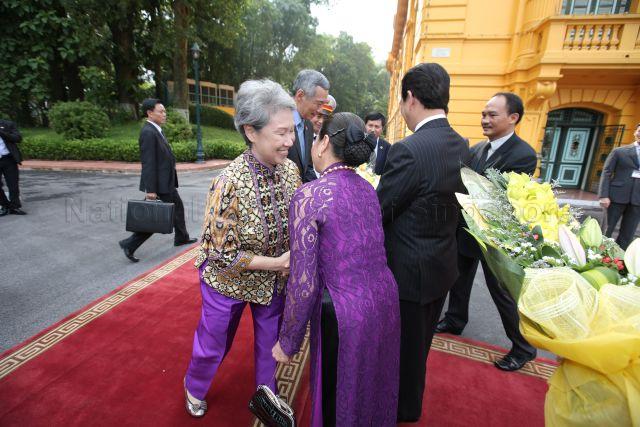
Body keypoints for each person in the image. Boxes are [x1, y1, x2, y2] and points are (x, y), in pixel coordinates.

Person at [273, 112, 400, 427]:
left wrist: (288, 341)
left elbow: (303, 282)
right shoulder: (367, 188)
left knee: (337, 397)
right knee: (370, 383)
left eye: (316, 137)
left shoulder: (310, 195)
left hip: (342, 313)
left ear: (324, 142)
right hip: (384, 301)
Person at [183, 79, 301, 418]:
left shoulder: (291, 171)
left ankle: (267, 399)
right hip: (227, 280)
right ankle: (195, 384)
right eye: (281, 133)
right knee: (213, 342)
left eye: (291, 132)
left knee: (270, 346)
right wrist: (277, 262)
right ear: (251, 131)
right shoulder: (228, 183)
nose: (290, 142)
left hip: (273, 281)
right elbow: (222, 255)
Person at [376, 63, 469, 423]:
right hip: (440, 268)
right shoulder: (461, 144)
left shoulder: (409, 150)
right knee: (419, 349)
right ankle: (407, 405)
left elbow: (381, 210)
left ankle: (401, 411)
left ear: (411, 98)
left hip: (408, 275)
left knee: (403, 354)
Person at [436, 92, 538, 372]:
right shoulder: (478, 149)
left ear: (513, 118)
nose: (485, 120)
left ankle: (523, 347)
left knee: (501, 291)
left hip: (496, 236)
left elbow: (504, 196)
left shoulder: (523, 154)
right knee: (458, 277)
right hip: (467, 229)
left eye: (492, 115)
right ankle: (455, 320)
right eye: (483, 114)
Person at [118, 99, 196, 262]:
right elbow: (148, 163)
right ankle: (129, 244)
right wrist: (151, 190)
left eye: (164, 111)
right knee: (156, 217)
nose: (164, 114)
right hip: (159, 185)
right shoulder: (148, 132)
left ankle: (181, 237)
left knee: (177, 208)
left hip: (165, 182)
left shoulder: (155, 130)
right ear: (150, 113)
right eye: (161, 111)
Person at [599, 123, 640, 250]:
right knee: (607, 229)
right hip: (615, 197)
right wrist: (603, 195)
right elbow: (606, 173)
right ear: (635, 132)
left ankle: (619, 259)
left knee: (628, 233)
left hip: (637, 200)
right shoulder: (619, 151)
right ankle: (597, 254)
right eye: (639, 131)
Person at [289, 69, 329, 183]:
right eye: (319, 103)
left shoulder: (308, 125)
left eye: (324, 104)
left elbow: (307, 168)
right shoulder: (278, 121)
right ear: (300, 95)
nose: (321, 110)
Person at [0, 119, 26, 216]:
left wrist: (2, 133)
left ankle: (14, 207)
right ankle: (5, 205)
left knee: (13, 184)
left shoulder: (7, 124)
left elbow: (18, 138)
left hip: (8, 159)